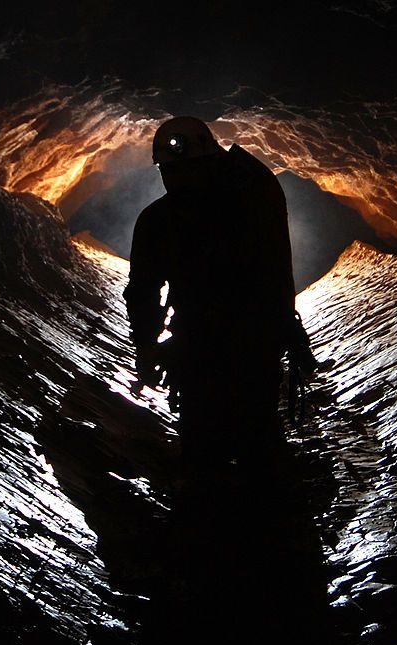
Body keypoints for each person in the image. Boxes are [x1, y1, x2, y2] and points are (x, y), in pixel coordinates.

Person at [123, 116, 315, 474]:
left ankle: (244, 507)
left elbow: (144, 292)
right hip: (218, 347)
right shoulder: (165, 220)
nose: (177, 179)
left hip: (239, 344)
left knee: (239, 442)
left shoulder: (237, 208)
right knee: (227, 444)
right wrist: (147, 346)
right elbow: (143, 292)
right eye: (170, 170)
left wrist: (149, 347)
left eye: (183, 169)